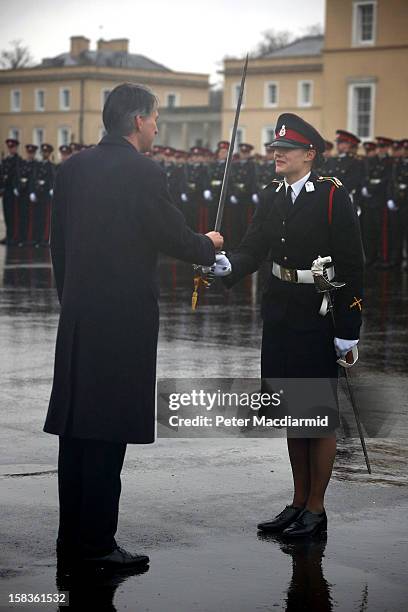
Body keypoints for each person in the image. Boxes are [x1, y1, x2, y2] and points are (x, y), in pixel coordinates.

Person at [44, 82, 223, 570]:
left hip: (80, 317)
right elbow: (170, 234)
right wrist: (208, 243)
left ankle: (72, 539)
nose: (158, 126)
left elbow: (57, 244)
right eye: (156, 117)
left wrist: (72, 299)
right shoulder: (144, 172)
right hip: (122, 321)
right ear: (138, 120)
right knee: (106, 432)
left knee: (76, 434)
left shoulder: (72, 169)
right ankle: (98, 545)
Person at [210, 113, 364, 538]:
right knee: (292, 412)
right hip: (279, 311)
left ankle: (316, 508)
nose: (276, 154)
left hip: (319, 313)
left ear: (309, 155)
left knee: (317, 414)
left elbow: (352, 264)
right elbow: (255, 244)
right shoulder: (272, 193)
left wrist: (348, 328)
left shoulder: (332, 196)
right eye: (275, 148)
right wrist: (228, 266)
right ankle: (297, 502)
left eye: (286, 149)